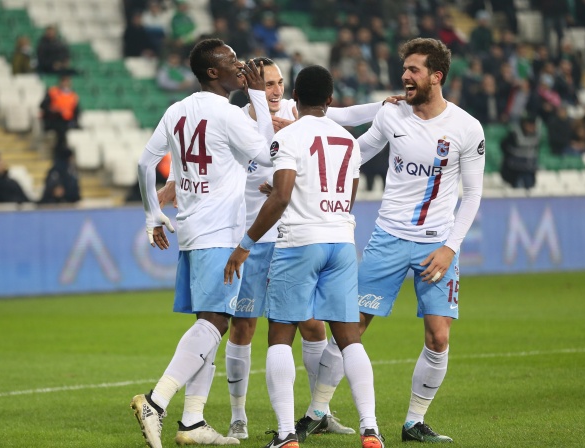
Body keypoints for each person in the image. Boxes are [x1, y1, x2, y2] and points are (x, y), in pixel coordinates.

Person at [158, 56, 400, 441]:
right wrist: (175, 179)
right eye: (267, 83)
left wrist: (382, 106)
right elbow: (203, 155)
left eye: (279, 83)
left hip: (287, 237)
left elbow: (338, 121)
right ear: (254, 85)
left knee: (300, 329)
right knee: (245, 326)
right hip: (283, 235)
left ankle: (311, 415)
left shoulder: (290, 122)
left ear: (292, 92)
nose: (274, 90)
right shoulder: (238, 119)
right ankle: (240, 416)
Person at [300, 37, 485, 444]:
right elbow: (354, 153)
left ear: (436, 76)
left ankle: (414, 422)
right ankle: (316, 411)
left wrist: (450, 247)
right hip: (388, 238)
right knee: (350, 327)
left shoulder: (467, 128)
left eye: (414, 69)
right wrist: (302, 168)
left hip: (437, 245)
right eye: (404, 69)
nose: (405, 76)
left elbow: (472, 195)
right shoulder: (391, 114)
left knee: (438, 336)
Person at [224, 64, 385, 448]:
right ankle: (371, 429)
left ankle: (285, 435)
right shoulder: (348, 140)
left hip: (299, 242)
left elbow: (281, 196)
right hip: (341, 242)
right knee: (349, 338)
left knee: (280, 336)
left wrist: (245, 244)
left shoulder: (289, 136)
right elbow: (348, 195)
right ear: (330, 99)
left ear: (295, 96)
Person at [129, 38, 275, 448]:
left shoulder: (177, 110)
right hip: (221, 233)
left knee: (208, 325)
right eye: (232, 61)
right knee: (215, 323)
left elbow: (144, 163)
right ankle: (156, 402)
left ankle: (193, 421)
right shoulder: (227, 114)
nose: (240, 65)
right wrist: (258, 96)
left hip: (193, 230)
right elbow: (267, 155)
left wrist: (152, 214)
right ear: (213, 72)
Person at [40, 75, 80, 158]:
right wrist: (53, 110)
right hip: (54, 119)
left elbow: (76, 111)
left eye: (67, 82)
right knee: (61, 131)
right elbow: (43, 106)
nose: (66, 84)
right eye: (64, 81)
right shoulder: (53, 92)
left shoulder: (73, 96)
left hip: (68, 121)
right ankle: (59, 153)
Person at [500, 113, 540, 189]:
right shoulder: (514, 135)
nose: (532, 127)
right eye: (529, 124)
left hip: (528, 171)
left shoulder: (536, 136)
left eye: (533, 125)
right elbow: (505, 148)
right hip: (514, 171)